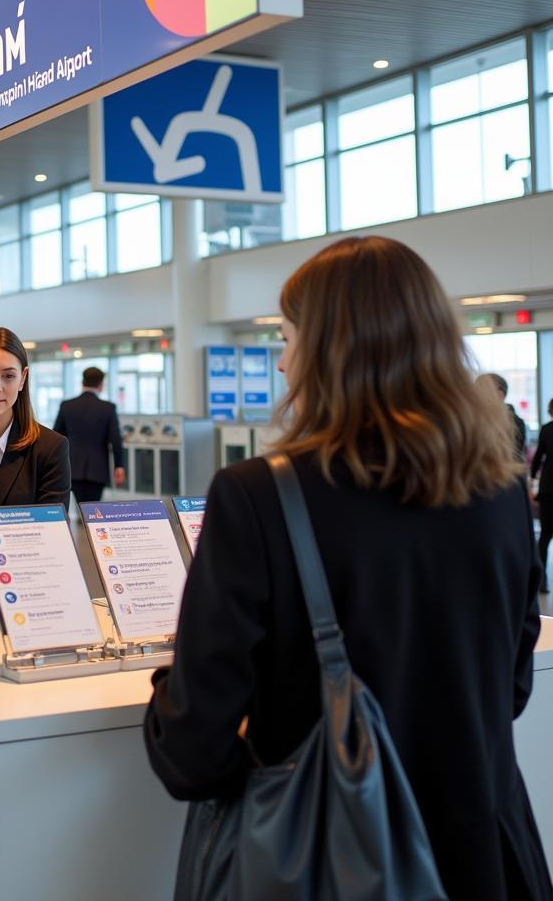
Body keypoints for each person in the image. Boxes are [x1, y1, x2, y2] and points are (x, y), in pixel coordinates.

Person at [144, 236, 551, 901]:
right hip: (486, 856)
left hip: (332, 861)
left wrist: (170, 683)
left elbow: (193, 754)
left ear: (328, 350)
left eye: (287, 338)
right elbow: (510, 689)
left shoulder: (259, 495)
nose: (281, 363)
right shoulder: (501, 489)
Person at [0, 326, 70, 597]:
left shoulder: (49, 448)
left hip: (21, 592)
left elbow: (49, 536)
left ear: (23, 378)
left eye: (8, 376)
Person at [53, 366, 125, 505]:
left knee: (80, 505)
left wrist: (55, 465)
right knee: (93, 508)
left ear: (83, 382)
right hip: (98, 469)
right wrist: (119, 465)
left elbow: (56, 436)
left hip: (72, 466)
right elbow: (115, 439)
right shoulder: (108, 408)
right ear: (101, 384)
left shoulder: (67, 405)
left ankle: (82, 521)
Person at [531, 398, 553, 594]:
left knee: (545, 536)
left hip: (548, 489)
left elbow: (538, 457)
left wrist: (530, 479)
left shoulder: (546, 429)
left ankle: (543, 581)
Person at [480, 372, 528, 462]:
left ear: (500, 395)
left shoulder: (515, 423)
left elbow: (513, 459)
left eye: (482, 390)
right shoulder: (474, 421)